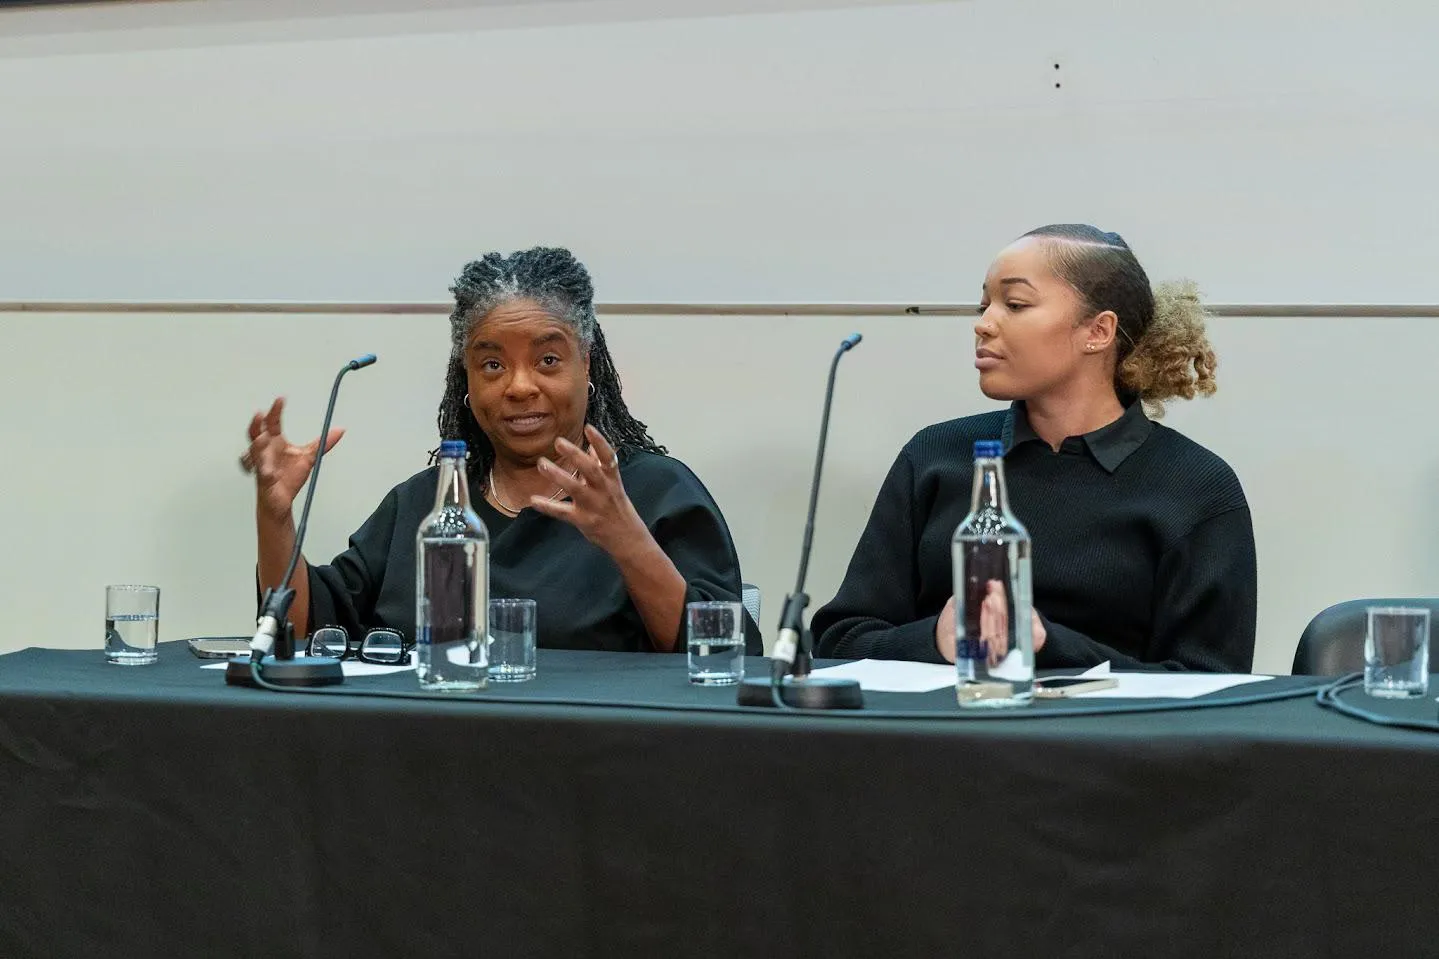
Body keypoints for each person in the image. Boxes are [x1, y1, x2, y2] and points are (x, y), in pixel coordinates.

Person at [241, 247, 760, 655]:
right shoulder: (425, 506)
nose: (518, 386)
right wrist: (274, 516)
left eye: (548, 360)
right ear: (465, 379)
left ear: (588, 364)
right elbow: (304, 632)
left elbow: (720, 655)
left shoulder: (655, 492)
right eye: (492, 365)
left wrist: (627, 541)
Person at [812, 224, 1256, 672]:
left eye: (1015, 304)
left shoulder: (1196, 487)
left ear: (1098, 331)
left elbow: (1211, 682)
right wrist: (934, 640)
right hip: (942, 736)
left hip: (1106, 742)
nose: (983, 324)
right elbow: (840, 640)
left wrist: (1044, 643)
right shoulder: (935, 457)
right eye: (984, 304)